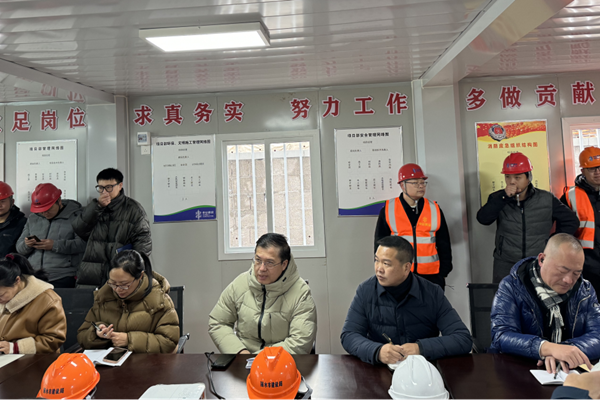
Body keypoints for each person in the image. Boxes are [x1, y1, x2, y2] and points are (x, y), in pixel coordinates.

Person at [341, 236, 472, 365]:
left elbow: (462, 338)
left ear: (406, 268)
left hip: (423, 369)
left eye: (386, 264)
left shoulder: (432, 293)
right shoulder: (365, 291)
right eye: (376, 260)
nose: (379, 269)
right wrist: (377, 351)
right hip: (380, 369)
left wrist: (420, 348)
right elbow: (349, 335)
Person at [490, 234, 600, 374]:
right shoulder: (512, 286)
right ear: (542, 259)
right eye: (562, 271)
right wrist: (546, 348)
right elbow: (501, 335)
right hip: (518, 371)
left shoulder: (585, 290)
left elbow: (597, 334)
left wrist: (565, 350)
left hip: (567, 373)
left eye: (576, 273)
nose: (568, 280)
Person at [477, 152, 579, 283]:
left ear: (528, 177)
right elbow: (483, 219)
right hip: (505, 262)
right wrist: (503, 198)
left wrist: (552, 243)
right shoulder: (498, 198)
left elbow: (571, 221)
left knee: (539, 295)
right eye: (507, 177)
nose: (512, 181)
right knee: (505, 295)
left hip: (538, 262)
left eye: (517, 177)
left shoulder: (546, 199)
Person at [209, 233, 317, 355]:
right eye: (258, 260)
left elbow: (300, 341)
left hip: (281, 362)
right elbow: (218, 322)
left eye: (270, 263)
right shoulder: (240, 284)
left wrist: (259, 359)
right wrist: (239, 352)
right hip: (242, 359)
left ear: (284, 264)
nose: (262, 268)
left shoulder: (301, 293)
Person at [77, 250, 179, 353]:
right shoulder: (103, 297)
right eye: (113, 283)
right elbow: (82, 336)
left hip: (146, 361)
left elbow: (169, 342)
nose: (117, 289)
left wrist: (129, 340)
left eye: (124, 284)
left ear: (140, 276)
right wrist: (97, 332)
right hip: (109, 360)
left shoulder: (159, 301)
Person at [374, 163, 452, 290]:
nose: (421, 186)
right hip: (399, 274)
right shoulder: (389, 209)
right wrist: (383, 270)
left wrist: (443, 272)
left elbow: (444, 243)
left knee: (431, 303)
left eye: (423, 183)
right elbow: (380, 244)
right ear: (402, 185)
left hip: (431, 276)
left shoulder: (434, 209)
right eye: (415, 183)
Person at [72, 168, 151, 287]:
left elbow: (143, 243)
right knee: (90, 299)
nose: (104, 192)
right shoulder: (95, 207)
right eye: (101, 188)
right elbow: (79, 229)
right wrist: (97, 207)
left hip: (121, 273)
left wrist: (132, 269)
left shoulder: (134, 209)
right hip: (92, 271)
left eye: (109, 187)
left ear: (120, 186)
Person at [16, 183, 86, 288]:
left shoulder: (77, 216)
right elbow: (19, 248)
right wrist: (27, 244)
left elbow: (82, 244)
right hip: (33, 277)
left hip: (62, 277)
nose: (45, 213)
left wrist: (54, 245)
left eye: (48, 209)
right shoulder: (33, 218)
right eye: (41, 210)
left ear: (59, 201)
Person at [0, 253, 66, 354]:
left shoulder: (47, 300)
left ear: (17, 281)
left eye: (1, 295)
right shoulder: (6, 293)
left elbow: (53, 339)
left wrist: (15, 347)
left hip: (35, 358)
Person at [561, 146, 600, 295]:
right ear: (583, 171)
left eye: (599, 168)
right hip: (586, 264)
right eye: (592, 169)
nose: (597, 172)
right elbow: (561, 230)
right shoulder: (570, 196)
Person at [0, 182, 26, 256]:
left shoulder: (22, 223)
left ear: (12, 202)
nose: (0, 205)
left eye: (2, 201)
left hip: (10, 263)